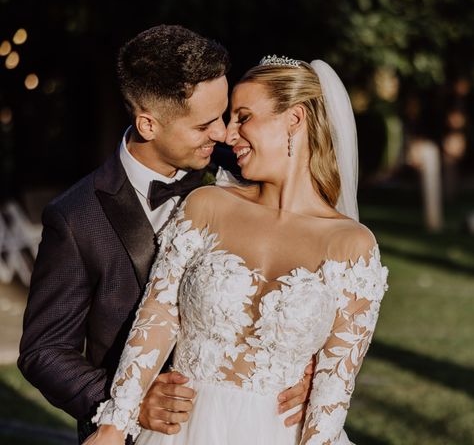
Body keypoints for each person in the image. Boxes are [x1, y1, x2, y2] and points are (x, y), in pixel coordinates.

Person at [17, 26, 312, 444]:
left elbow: (305, 279)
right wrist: (124, 402)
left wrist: (308, 365)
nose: (224, 133)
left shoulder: (244, 176)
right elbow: (43, 351)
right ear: (148, 124)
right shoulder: (74, 217)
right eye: (204, 124)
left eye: (225, 115)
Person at [84, 56, 389, 445]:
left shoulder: (352, 246)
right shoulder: (207, 205)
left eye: (243, 117)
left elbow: (332, 395)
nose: (228, 135)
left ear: (294, 120)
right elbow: (158, 317)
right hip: (180, 433)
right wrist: (114, 424)